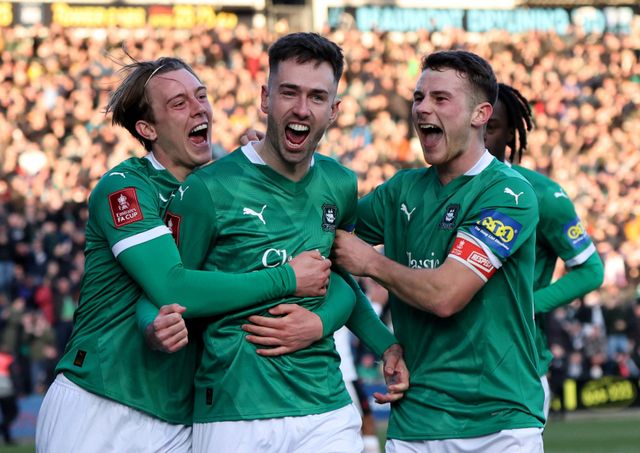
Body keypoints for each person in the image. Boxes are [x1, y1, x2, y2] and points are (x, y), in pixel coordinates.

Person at [35, 56, 333, 452]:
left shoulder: (224, 188)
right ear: (148, 128)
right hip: (101, 400)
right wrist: (287, 278)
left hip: (182, 419)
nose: (199, 109)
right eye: (179, 103)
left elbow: (339, 260)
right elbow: (170, 285)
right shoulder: (124, 187)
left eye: (201, 96)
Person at [157, 33, 408, 452]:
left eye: (317, 97)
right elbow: (172, 290)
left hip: (325, 409)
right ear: (265, 98)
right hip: (234, 410)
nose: (302, 108)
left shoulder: (340, 183)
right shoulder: (207, 189)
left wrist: (385, 345)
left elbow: (339, 278)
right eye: (289, 92)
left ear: (333, 110)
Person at [332, 50, 546, 451]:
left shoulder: (509, 193)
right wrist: (273, 166)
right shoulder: (400, 191)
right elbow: (322, 241)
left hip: (498, 426)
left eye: (440, 98)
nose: (422, 108)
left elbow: (447, 295)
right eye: (418, 97)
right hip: (415, 424)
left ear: (480, 114)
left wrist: (371, 262)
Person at [485, 82, 605, 417]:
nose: (479, 136)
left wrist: (529, 304)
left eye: (491, 127)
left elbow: (591, 270)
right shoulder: (424, 189)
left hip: (516, 366)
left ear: (511, 134)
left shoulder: (541, 194)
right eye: (473, 124)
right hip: (441, 369)